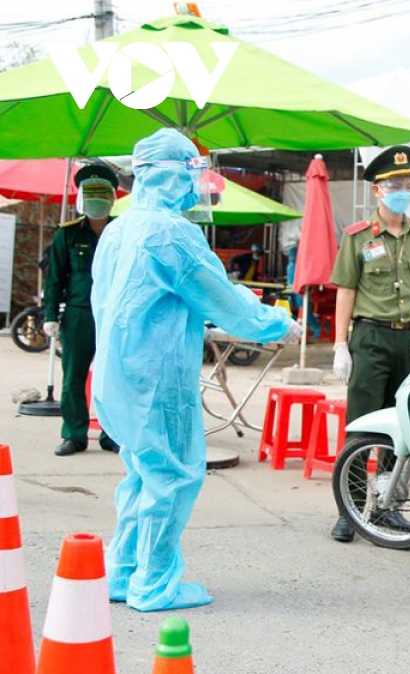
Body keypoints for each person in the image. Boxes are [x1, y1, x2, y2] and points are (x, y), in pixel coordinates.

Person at [91, 128, 303, 612]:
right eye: (190, 173)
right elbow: (223, 300)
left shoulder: (119, 228)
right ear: (167, 174)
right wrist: (276, 324)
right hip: (155, 377)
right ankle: (155, 586)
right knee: (173, 477)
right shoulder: (170, 233)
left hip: (116, 374)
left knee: (142, 475)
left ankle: (123, 572)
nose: (195, 186)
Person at [328, 145, 410, 543]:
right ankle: (351, 509)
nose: (402, 190)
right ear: (377, 190)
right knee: (360, 426)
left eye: (407, 183)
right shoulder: (357, 238)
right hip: (370, 338)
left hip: (409, 338)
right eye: (394, 184)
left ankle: (387, 507)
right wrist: (341, 344)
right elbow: (345, 291)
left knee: (401, 427)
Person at [42, 164, 121, 457]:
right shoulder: (69, 234)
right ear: (81, 198)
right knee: (73, 375)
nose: (97, 199)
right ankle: (74, 435)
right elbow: (55, 277)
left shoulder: (121, 231)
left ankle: (111, 434)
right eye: (92, 193)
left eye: (102, 193)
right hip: (79, 313)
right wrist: (50, 315)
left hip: (114, 313)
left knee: (112, 374)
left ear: (113, 197)